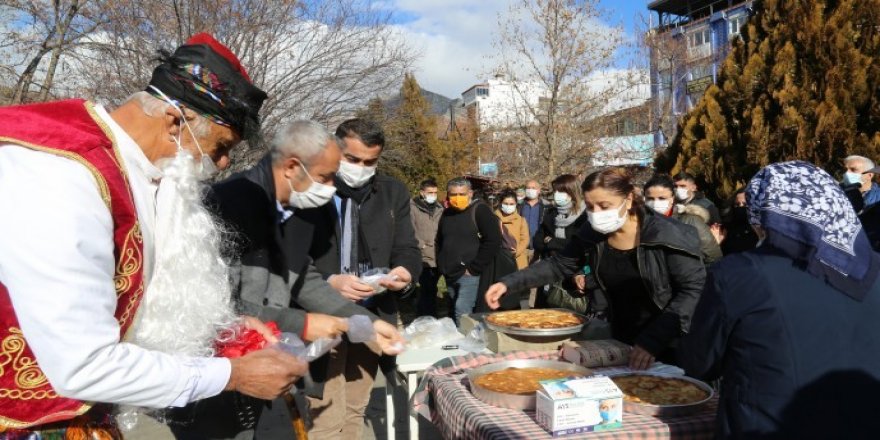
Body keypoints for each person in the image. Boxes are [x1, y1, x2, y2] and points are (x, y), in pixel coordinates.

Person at [0, 34, 305, 435]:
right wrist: (231, 375)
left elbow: (139, 298)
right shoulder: (62, 176)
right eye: (221, 146)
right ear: (176, 121)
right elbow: (83, 364)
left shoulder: (143, 174)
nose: (225, 162)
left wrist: (227, 332)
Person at [184, 121, 405, 439]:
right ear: (292, 167)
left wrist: (364, 323)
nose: (332, 187)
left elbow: (303, 279)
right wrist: (302, 323)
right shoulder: (229, 205)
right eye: (326, 177)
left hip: (256, 359)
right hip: (210, 367)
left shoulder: (296, 211)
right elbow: (219, 305)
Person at [680, 161, 880, 439]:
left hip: (768, 425)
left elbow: (700, 362)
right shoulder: (873, 270)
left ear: (761, 212)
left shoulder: (739, 273)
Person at [486, 169, 706, 369]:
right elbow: (559, 264)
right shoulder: (592, 234)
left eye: (604, 206)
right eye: (590, 207)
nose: (596, 213)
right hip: (621, 338)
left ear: (628, 199)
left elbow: (693, 289)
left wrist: (654, 340)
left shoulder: (667, 234)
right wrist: (509, 283)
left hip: (671, 341)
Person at [294, 118, 421, 439]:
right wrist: (329, 281)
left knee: (355, 407)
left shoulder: (392, 192)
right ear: (336, 150)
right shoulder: (310, 188)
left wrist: (404, 272)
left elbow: (407, 247)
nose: (361, 168)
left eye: (370, 162)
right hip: (323, 318)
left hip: (371, 316)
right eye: (352, 160)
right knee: (325, 416)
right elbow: (291, 257)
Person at [436, 177, 503, 323]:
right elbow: (440, 240)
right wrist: (441, 265)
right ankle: (459, 340)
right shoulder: (447, 214)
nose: (457, 198)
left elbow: (493, 240)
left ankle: (466, 343)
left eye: (462, 194)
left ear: (470, 193)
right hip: (449, 272)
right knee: (453, 308)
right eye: (453, 194)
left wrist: (474, 268)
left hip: (469, 273)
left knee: (462, 311)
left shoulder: (480, 210)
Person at [643, 174, 722, 265]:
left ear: (672, 198)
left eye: (662, 198)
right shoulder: (640, 223)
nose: (655, 203)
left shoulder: (690, 220)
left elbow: (713, 257)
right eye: (650, 199)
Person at [410, 178, 444, 317]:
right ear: (422, 193)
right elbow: (408, 229)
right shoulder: (412, 208)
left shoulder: (440, 208)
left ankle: (430, 316)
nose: (433, 195)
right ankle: (426, 318)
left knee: (432, 290)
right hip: (423, 257)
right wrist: (421, 245)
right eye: (430, 192)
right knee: (427, 290)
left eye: (435, 192)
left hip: (438, 255)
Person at [534, 174, 587, 260]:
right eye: (555, 191)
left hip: (576, 266)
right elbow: (537, 242)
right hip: (550, 262)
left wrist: (550, 241)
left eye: (561, 191)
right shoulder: (550, 213)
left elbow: (580, 245)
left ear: (572, 191)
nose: (556, 194)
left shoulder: (584, 215)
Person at [496, 190, 530, 269]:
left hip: (517, 260)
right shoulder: (494, 219)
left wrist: (516, 252)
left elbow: (525, 239)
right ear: (501, 203)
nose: (508, 206)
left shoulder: (521, 220)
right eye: (506, 204)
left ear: (516, 204)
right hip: (498, 259)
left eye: (511, 204)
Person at [720, 188, 759, 255]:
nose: (740, 207)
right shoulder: (727, 229)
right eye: (737, 204)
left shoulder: (761, 228)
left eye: (745, 204)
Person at [519, 179, 546, 261]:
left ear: (539, 191)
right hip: (522, 247)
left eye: (533, 188)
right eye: (528, 188)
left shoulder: (546, 206)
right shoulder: (518, 205)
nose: (530, 190)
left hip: (539, 248)